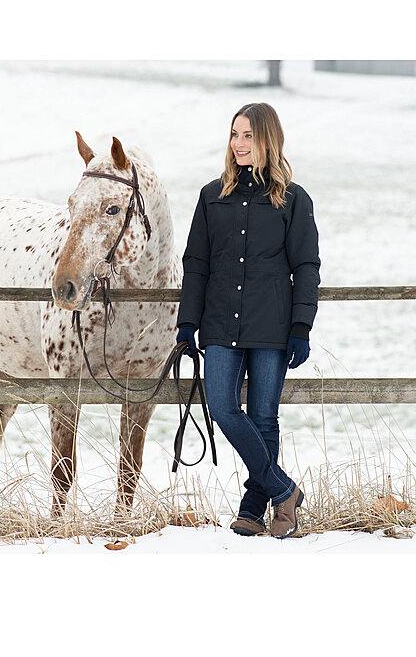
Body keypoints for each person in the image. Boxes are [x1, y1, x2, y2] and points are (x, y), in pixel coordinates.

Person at [176, 102, 321, 539]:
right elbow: (196, 264)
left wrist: (301, 327)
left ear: (268, 140)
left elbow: (307, 267)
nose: (239, 144)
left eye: (248, 136)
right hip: (220, 323)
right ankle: (284, 490)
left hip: (272, 326)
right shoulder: (211, 196)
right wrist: (187, 323)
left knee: (263, 418)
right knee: (222, 407)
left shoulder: (294, 200)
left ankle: (254, 509)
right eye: (234, 135)